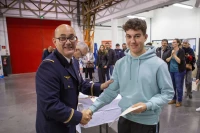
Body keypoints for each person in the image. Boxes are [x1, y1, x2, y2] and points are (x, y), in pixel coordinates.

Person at [85, 18, 174, 133]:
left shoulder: (159, 64)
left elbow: (167, 93)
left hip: (147, 122)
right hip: (125, 119)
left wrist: (148, 105)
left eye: (137, 36)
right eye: (129, 36)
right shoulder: (120, 63)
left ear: (145, 37)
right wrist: (91, 109)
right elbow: (110, 92)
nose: (132, 41)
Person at [35, 24, 113, 133]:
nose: (68, 42)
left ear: (76, 40)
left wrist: (101, 86)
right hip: (53, 127)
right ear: (54, 41)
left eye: (71, 37)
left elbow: (80, 84)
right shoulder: (48, 67)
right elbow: (50, 105)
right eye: (62, 38)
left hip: (69, 125)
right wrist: (78, 117)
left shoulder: (73, 62)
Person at [166, 39, 186, 107]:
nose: (172, 43)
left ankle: (179, 101)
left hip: (178, 71)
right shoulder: (170, 50)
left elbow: (179, 61)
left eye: (174, 42)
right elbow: (167, 60)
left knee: (179, 86)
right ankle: (174, 99)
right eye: (172, 42)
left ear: (178, 43)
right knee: (172, 86)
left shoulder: (181, 51)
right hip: (171, 71)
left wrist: (174, 55)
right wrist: (171, 55)